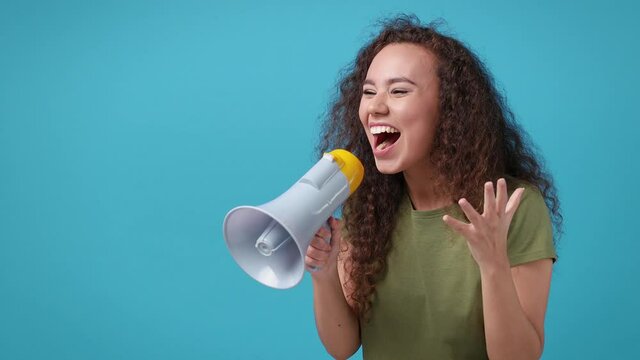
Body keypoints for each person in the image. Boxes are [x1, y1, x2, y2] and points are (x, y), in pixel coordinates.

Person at [304, 14, 562, 360]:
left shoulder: (512, 206)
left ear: (449, 108)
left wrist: (493, 263)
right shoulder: (366, 208)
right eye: (368, 92)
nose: (376, 107)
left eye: (398, 91)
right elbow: (343, 346)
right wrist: (324, 273)